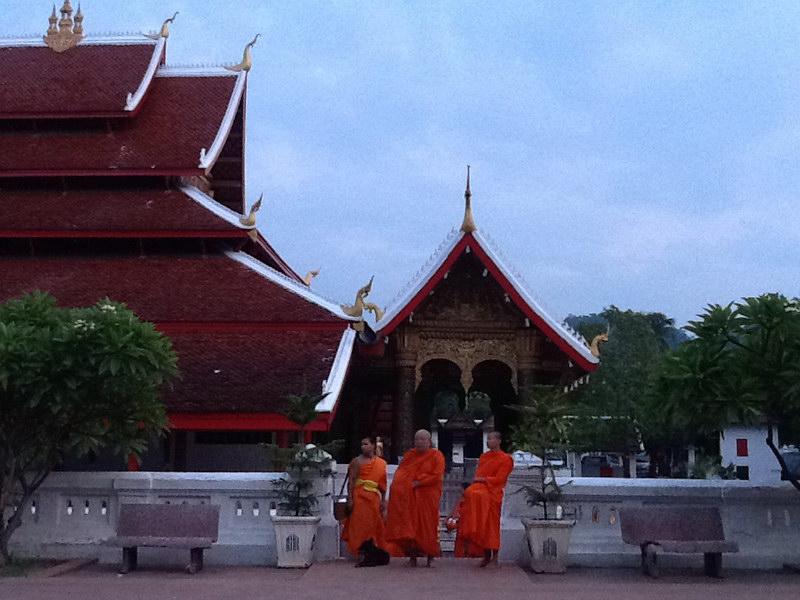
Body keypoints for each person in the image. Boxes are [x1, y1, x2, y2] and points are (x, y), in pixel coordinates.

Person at [385, 429, 445, 567]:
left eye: (423, 440)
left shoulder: (437, 456)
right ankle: (413, 556)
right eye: (417, 439)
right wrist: (402, 487)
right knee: (410, 527)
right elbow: (401, 474)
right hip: (410, 497)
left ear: (429, 442)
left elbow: (437, 476)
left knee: (428, 526)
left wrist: (419, 482)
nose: (419, 442)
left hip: (428, 497)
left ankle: (430, 557)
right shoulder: (409, 456)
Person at [454, 431, 514, 567]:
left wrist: (484, 480)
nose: (488, 441)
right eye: (488, 439)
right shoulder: (484, 457)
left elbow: (500, 479)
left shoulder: (505, 459)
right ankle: (486, 555)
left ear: (499, 441)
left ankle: (495, 556)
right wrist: (480, 481)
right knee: (481, 524)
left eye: (491, 439)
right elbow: (478, 476)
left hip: (493, 493)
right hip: (480, 491)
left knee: (491, 526)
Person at [341, 437, 389, 567]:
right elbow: (351, 481)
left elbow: (383, 485)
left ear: (373, 445)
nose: (363, 447)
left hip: (373, 498)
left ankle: (372, 553)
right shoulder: (356, 462)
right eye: (362, 444)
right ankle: (360, 552)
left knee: (373, 526)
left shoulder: (381, 463)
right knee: (358, 526)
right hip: (359, 497)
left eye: (366, 444)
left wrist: (383, 502)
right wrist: (350, 498)